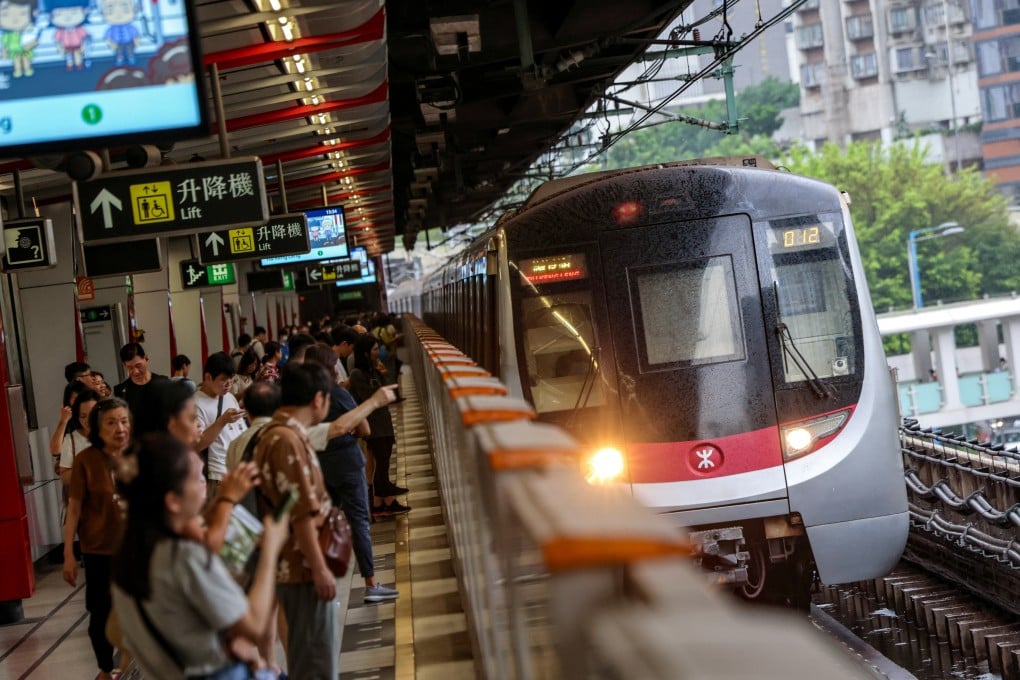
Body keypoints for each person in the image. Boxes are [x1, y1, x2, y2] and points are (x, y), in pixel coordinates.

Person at [111, 433, 289, 679]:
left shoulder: (129, 556)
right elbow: (254, 625)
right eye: (197, 478)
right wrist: (271, 548)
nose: (204, 484)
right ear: (173, 501)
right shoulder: (183, 556)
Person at [252, 362, 339, 678]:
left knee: (310, 657)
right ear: (319, 399)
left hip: (297, 566)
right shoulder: (285, 440)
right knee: (315, 663)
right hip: (301, 569)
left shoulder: (279, 434)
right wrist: (319, 569)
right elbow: (300, 513)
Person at [306, 344, 399, 602]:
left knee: (325, 523)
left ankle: (324, 583)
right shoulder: (337, 394)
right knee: (358, 521)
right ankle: (371, 583)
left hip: (320, 465)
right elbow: (364, 429)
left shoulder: (305, 396)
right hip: (347, 462)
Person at [63, 397, 132, 680]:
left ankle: (133, 666)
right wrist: (69, 552)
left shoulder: (138, 455)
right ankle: (106, 667)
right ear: (97, 427)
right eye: (111, 422)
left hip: (135, 551)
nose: (120, 428)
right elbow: (75, 508)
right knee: (100, 614)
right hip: (99, 551)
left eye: (124, 421)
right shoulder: (86, 461)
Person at [348, 334, 409, 517]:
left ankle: (379, 503)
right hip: (373, 424)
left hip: (383, 420)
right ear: (366, 353)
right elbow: (370, 398)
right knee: (381, 462)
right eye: (374, 349)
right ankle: (388, 499)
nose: (377, 353)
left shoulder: (373, 370)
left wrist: (384, 375)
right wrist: (381, 387)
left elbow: (388, 391)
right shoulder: (357, 374)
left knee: (384, 459)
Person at [195, 352, 248, 500]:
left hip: (237, 471)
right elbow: (197, 444)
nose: (229, 384)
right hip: (218, 475)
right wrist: (222, 421)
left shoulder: (229, 397)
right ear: (208, 377)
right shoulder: (196, 404)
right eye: (223, 380)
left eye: (231, 379)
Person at [57, 388, 100, 487]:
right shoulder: (71, 440)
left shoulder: (116, 433)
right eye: (83, 416)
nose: (88, 420)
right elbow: (64, 477)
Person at [114, 342, 167, 418]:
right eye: (130, 368)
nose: (135, 372)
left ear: (145, 358)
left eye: (138, 365)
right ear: (124, 365)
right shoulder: (121, 391)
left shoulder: (164, 383)